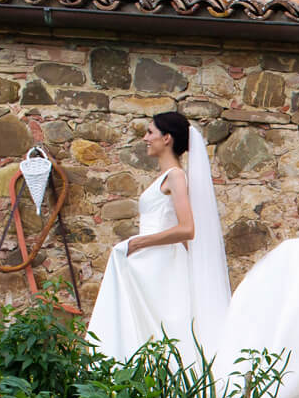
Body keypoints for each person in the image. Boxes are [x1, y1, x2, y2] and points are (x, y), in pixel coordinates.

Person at [86, 111, 230, 361]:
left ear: (167, 139)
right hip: (154, 262)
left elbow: (188, 229)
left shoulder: (175, 176)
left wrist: (139, 242)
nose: (145, 138)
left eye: (150, 132)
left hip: (159, 260)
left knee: (163, 327)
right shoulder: (166, 177)